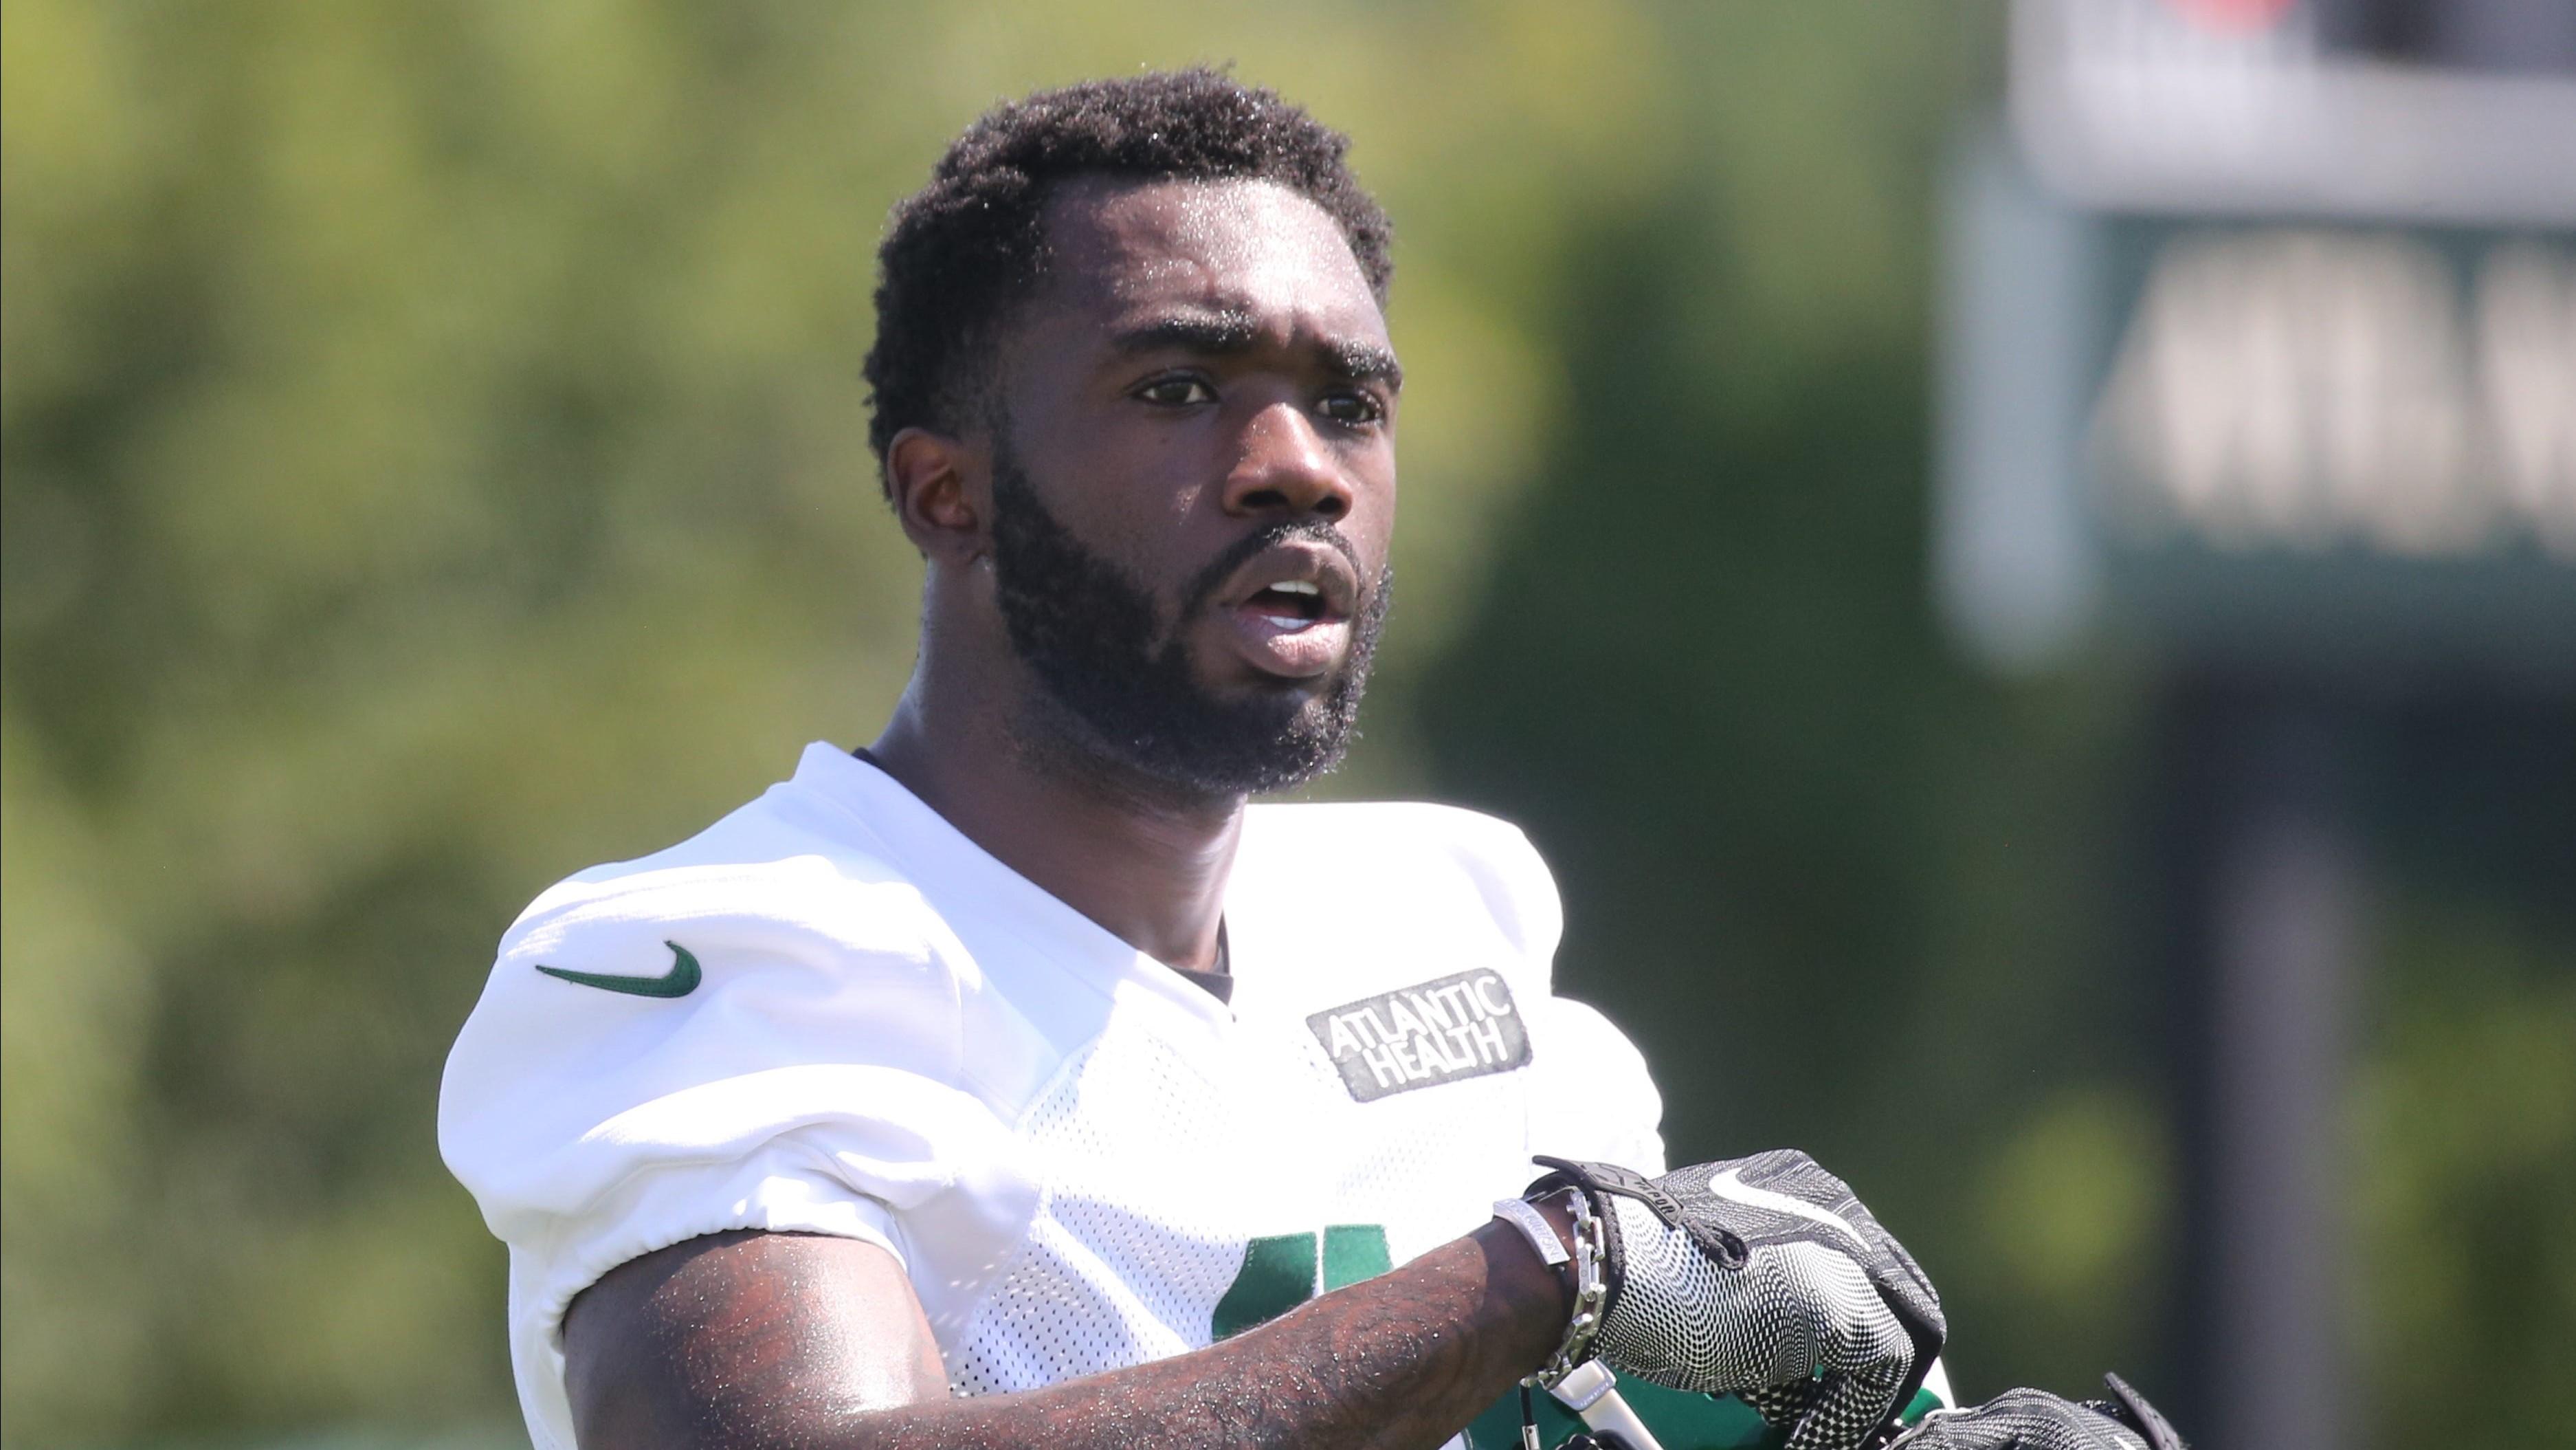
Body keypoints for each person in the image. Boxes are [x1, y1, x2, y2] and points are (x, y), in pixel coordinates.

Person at [439, 69, 2181, 1450]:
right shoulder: (730, 952)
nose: (1297, 464)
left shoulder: (1446, 904)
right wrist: (1537, 1278)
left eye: (1349, 400)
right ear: (941, 488)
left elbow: (1612, 1384)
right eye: (1177, 388)